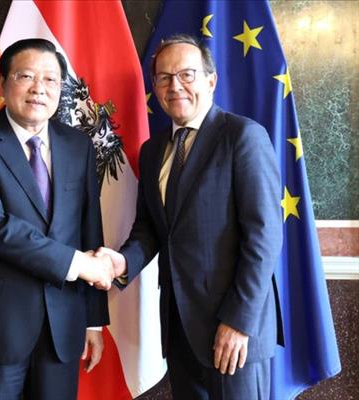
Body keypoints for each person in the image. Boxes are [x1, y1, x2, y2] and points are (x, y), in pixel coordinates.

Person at [97, 34, 284, 399]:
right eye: (164, 78)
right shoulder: (152, 151)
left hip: (233, 331)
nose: (175, 86)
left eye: (186, 74)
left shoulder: (242, 136)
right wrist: (121, 262)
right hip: (179, 329)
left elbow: (264, 236)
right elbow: (150, 228)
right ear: (155, 87)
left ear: (211, 80)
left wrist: (238, 321)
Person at [0, 38, 113, 400]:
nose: (39, 88)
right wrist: (78, 264)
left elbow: (89, 228)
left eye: (51, 79)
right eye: (26, 76)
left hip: (63, 325)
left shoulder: (78, 145)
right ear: (3, 83)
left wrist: (93, 321)